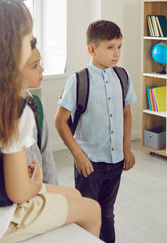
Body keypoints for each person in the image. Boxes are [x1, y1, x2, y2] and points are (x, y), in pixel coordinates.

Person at [0, 0, 101, 242]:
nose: (32, 48)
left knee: (73, 195)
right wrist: (37, 182)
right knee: (92, 210)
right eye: (30, 41)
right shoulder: (14, 110)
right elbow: (18, 192)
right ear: (9, 49)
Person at [55, 19, 137, 243]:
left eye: (119, 46)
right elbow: (60, 121)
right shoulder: (78, 80)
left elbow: (126, 113)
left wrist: (126, 149)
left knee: (107, 213)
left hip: (116, 162)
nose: (116, 53)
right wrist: (78, 156)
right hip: (89, 164)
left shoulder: (122, 76)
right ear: (92, 49)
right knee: (86, 216)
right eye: (110, 47)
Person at [22, 40, 58, 185]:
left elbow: (46, 155)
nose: (42, 70)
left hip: (40, 190)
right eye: (34, 66)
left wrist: (53, 191)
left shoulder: (35, 105)